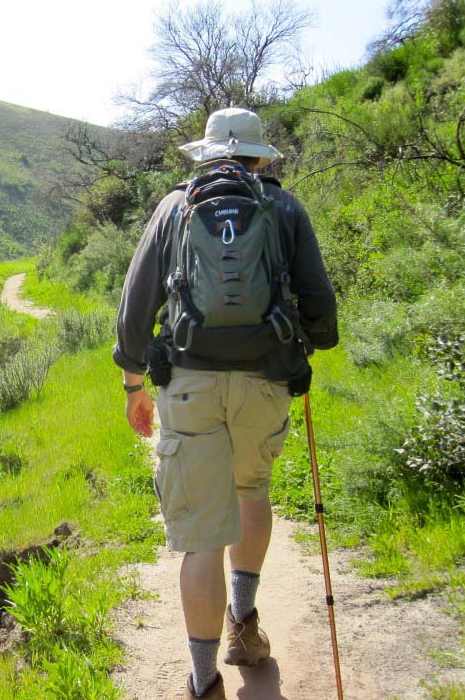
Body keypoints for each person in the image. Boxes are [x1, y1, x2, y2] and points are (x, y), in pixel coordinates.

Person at [113, 108, 338, 700]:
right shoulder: (285, 208)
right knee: (251, 492)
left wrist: (136, 384)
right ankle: (244, 623)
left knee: (201, 537)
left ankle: (203, 679)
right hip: (265, 379)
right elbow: (319, 302)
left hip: (189, 382)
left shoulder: (174, 206)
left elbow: (136, 305)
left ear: (207, 154)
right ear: (259, 156)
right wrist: (306, 344)